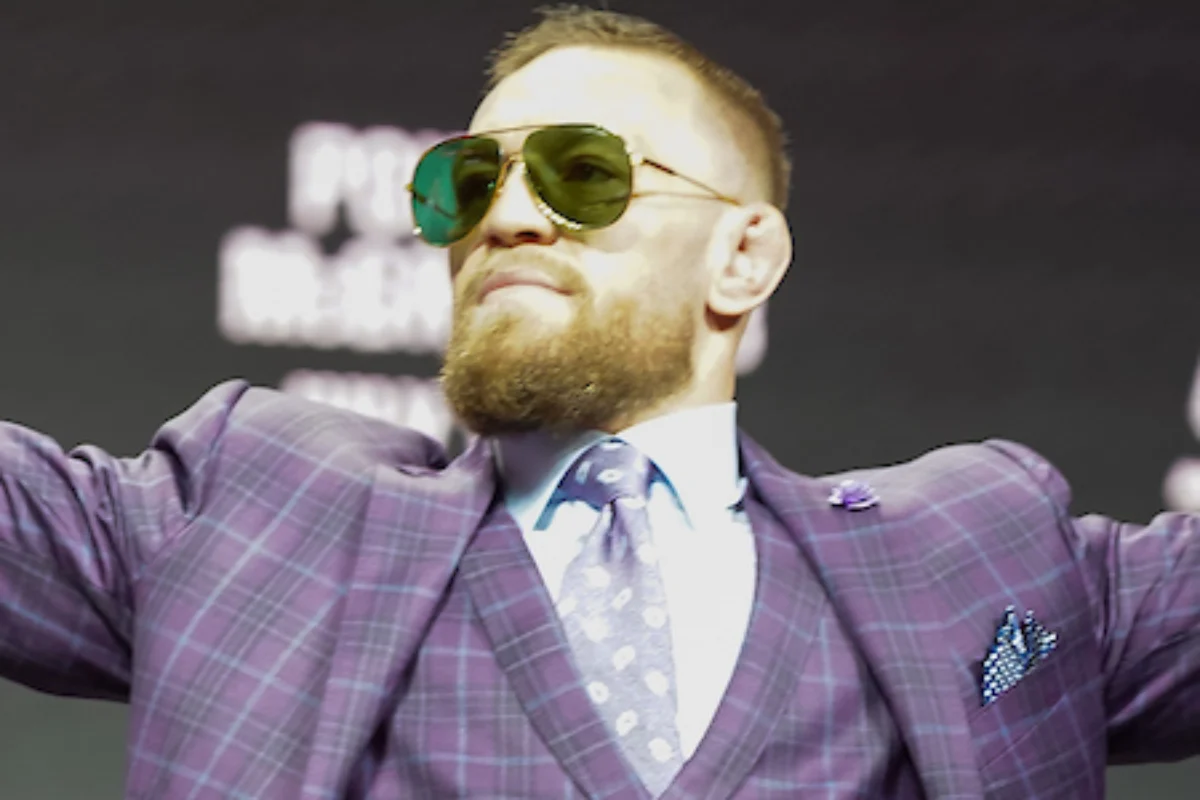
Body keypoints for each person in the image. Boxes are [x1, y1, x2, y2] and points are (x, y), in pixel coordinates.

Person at [0, 6, 1196, 798]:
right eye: (467, 179)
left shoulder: (985, 553)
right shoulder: (253, 508)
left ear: (744, 255)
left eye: (586, 172)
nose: (508, 216)